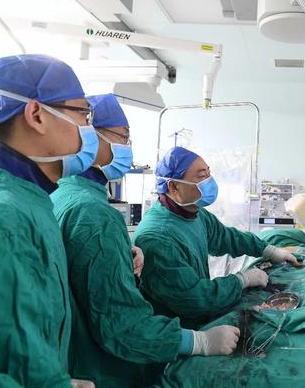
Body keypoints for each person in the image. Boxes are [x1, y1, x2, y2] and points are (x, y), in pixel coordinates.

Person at [51, 95, 241, 387]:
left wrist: (121, 255)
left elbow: (76, 264)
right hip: (100, 368)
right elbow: (120, 324)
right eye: (123, 138)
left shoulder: (64, 193)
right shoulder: (96, 215)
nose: (127, 148)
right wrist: (199, 342)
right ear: (90, 135)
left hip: (72, 354)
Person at [0, 54, 98, 387]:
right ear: (37, 115)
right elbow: (7, 367)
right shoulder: (5, 224)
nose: (89, 129)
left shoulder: (25, 198)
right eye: (83, 114)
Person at [133, 146, 301, 329]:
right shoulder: (157, 238)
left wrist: (268, 249)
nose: (209, 181)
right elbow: (192, 298)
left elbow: (226, 237)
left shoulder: (194, 213)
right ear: (173, 186)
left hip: (198, 318)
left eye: (209, 173)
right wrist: (241, 280)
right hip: (176, 331)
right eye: (201, 176)